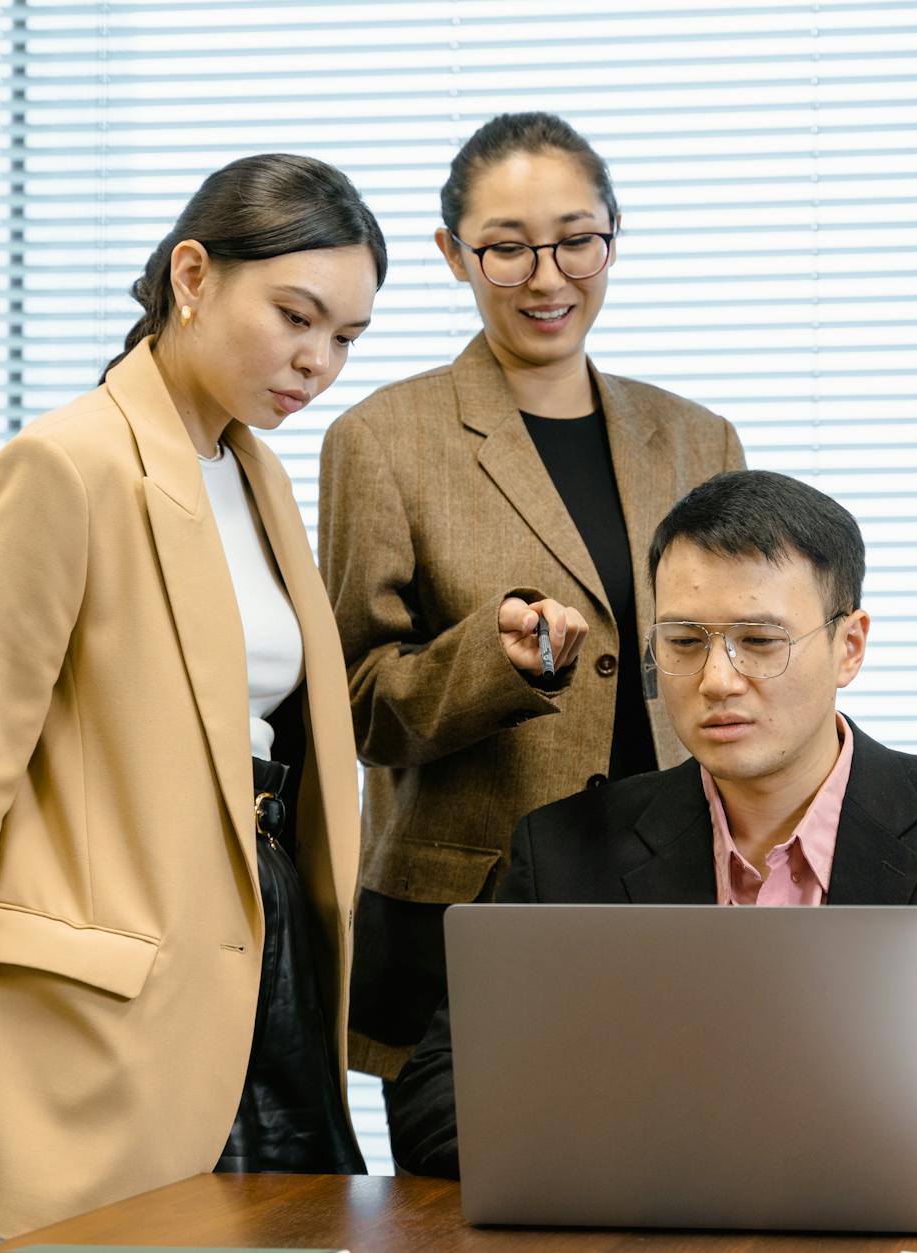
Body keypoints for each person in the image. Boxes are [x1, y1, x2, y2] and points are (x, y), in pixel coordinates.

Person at [386, 470, 917, 1223]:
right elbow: (434, 1104)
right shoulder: (564, 851)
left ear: (850, 646)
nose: (718, 679)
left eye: (760, 640)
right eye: (684, 641)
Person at [0, 154, 383, 1237]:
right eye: (296, 315)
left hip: (275, 972)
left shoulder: (256, 474)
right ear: (192, 274)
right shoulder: (65, 467)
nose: (317, 362)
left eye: (346, 337)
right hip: (110, 1018)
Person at [318, 112, 746, 1086]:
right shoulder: (383, 439)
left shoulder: (697, 439)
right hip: (474, 908)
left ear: (611, 236)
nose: (547, 278)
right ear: (452, 255)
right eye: (506, 249)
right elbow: (354, 702)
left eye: (574, 240)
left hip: (679, 892)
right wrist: (492, 661)